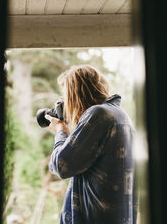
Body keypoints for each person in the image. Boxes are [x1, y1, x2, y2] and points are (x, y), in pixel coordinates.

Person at [44, 65, 137, 224]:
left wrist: (60, 131)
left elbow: (61, 165)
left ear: (75, 94)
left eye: (66, 97)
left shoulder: (98, 115)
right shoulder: (121, 117)